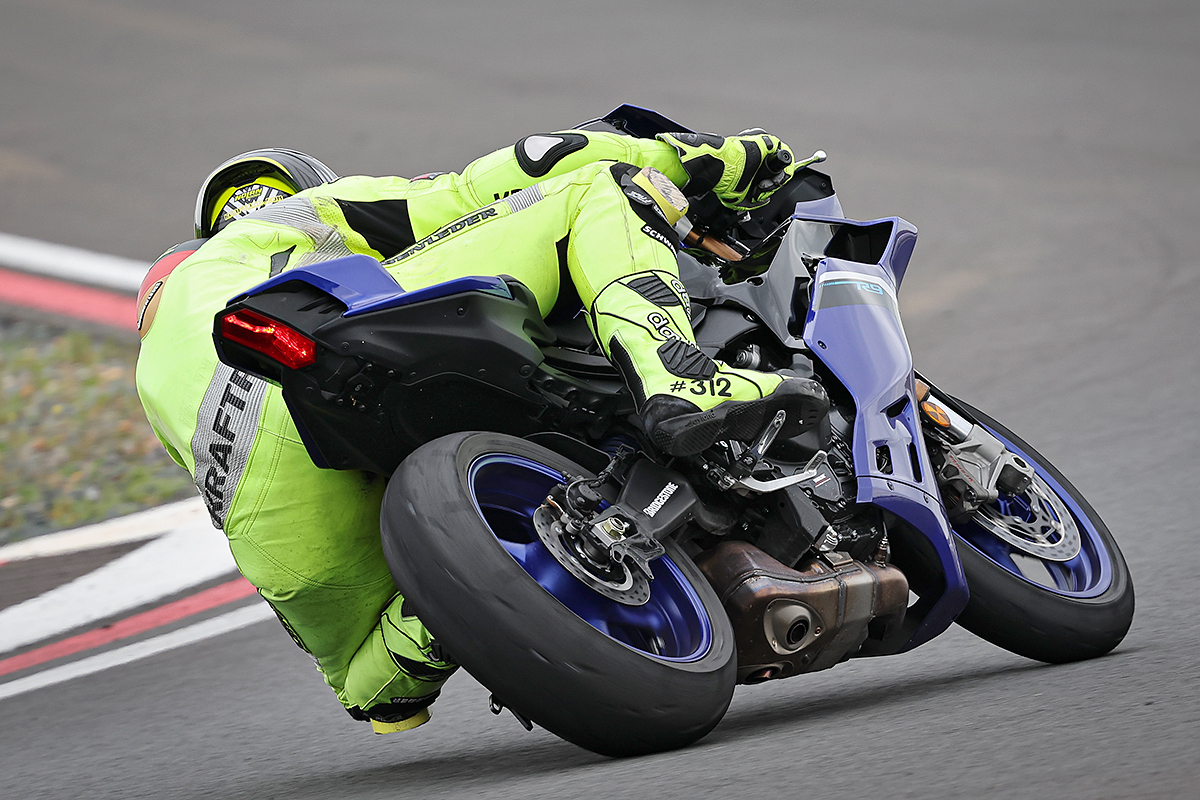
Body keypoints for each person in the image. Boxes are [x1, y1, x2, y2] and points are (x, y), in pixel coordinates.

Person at [134, 126, 828, 734]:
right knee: (592, 189)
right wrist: (709, 159)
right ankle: (677, 380)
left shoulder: (152, 370)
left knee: (370, 686)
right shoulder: (290, 215)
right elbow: (515, 170)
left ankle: (454, 609)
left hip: (266, 505)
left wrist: (462, 592)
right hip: (331, 353)